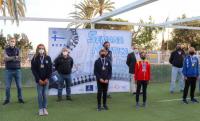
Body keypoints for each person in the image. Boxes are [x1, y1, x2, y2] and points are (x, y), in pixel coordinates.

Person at [31, 44, 52, 116]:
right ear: (37, 49)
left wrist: (47, 79)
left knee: (45, 94)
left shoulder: (48, 58)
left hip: (46, 80)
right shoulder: (34, 58)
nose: (41, 50)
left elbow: (50, 69)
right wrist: (38, 79)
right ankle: (40, 109)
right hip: (39, 81)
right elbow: (34, 70)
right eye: (40, 48)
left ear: (44, 50)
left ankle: (44, 108)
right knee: (40, 95)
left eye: (42, 48)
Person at [3, 37, 24, 105]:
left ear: (15, 42)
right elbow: (6, 59)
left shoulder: (18, 49)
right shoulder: (6, 50)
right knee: (7, 87)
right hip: (8, 70)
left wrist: (11, 58)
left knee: (19, 86)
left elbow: (20, 58)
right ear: (9, 42)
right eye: (11, 41)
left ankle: (20, 98)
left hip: (17, 70)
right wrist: (15, 57)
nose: (12, 42)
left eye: (13, 41)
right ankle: (7, 99)